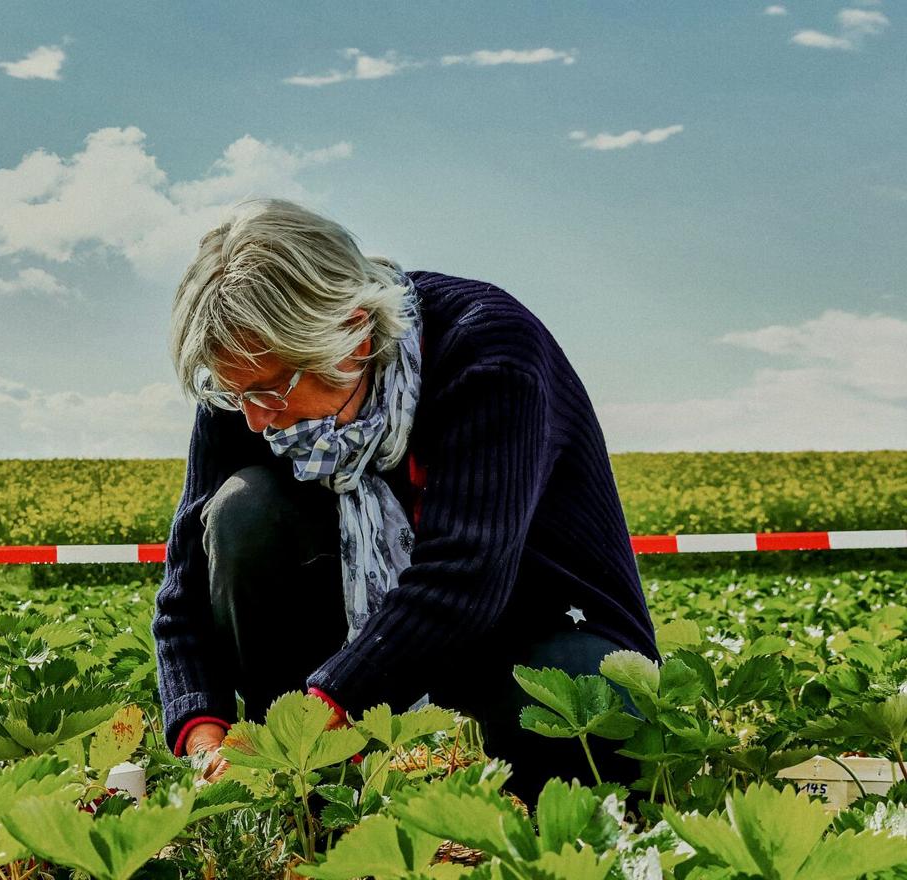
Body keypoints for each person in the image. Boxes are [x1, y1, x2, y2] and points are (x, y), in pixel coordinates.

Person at [153, 199, 658, 798]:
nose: (257, 420)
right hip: (359, 649)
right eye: (237, 395)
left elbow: (463, 580)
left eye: (272, 389)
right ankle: (306, 785)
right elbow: (185, 583)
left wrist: (319, 716)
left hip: (526, 621)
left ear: (354, 331)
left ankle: (329, 749)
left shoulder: (488, 349)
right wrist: (206, 737)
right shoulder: (245, 384)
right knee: (244, 509)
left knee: (583, 717)